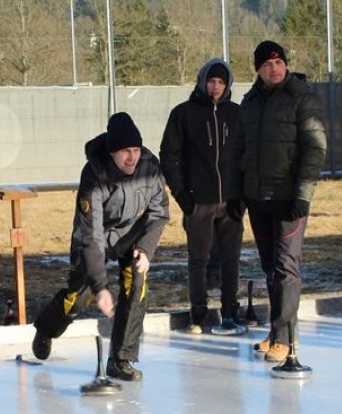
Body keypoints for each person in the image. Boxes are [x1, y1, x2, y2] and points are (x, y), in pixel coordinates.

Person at [31, 112, 169, 382]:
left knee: (136, 284)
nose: (132, 157)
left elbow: (160, 212)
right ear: (112, 152)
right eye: (125, 152)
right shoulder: (94, 175)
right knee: (79, 296)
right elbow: (91, 235)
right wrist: (100, 287)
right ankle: (47, 329)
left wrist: (147, 248)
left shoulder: (150, 168)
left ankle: (121, 359)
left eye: (136, 150)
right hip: (95, 237)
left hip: (132, 237)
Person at [230, 40, 327, 377]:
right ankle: (276, 331)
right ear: (257, 69)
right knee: (272, 268)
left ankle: (286, 338)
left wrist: (303, 193)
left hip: (289, 199)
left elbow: (315, 148)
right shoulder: (250, 102)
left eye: (279, 62)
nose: (275, 69)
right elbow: (239, 150)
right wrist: (236, 194)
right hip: (258, 198)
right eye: (267, 64)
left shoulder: (302, 98)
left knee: (287, 268)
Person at [159, 57, 244, 336]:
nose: (216, 87)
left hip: (230, 201)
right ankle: (199, 314)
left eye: (221, 82)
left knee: (231, 258)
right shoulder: (183, 114)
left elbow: (245, 157)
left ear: (228, 84)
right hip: (199, 202)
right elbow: (170, 156)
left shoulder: (237, 114)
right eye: (211, 81)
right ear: (202, 81)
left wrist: (240, 198)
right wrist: (183, 195)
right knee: (199, 259)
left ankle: (230, 312)